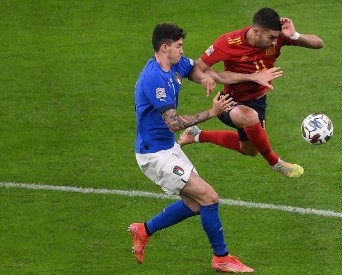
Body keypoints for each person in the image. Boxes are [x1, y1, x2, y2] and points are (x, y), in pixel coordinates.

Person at [130, 23, 279, 273]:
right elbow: (174, 123)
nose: (182, 50)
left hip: (166, 148)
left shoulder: (174, 63)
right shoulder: (154, 79)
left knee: (197, 204)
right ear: (164, 48)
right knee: (209, 197)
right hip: (154, 154)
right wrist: (213, 112)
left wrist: (205, 78)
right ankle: (221, 258)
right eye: (179, 46)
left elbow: (196, 71)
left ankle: (143, 230)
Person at [178, 7, 324, 178]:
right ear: (256, 31)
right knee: (250, 117)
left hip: (258, 101)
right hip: (229, 101)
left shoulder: (277, 37)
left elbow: (318, 43)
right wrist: (251, 77)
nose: (274, 42)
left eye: (277, 38)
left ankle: (197, 134)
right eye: (271, 38)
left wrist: (294, 35)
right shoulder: (227, 42)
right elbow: (196, 70)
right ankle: (276, 163)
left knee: (249, 150)